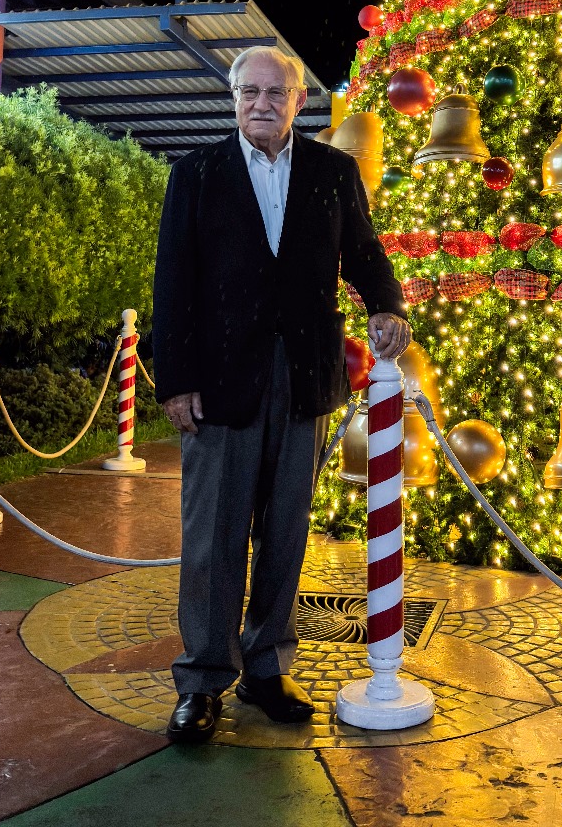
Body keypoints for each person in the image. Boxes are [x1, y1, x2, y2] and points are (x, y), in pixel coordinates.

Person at [153, 45, 410, 744]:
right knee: (213, 536)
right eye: (249, 92)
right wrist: (174, 380)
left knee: (285, 531)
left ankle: (266, 668)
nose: (261, 104)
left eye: (276, 93)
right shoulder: (195, 173)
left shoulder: (333, 171)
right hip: (218, 383)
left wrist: (387, 304)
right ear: (233, 98)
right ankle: (202, 679)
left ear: (300, 101)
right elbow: (172, 282)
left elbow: (364, 254)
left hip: (304, 376)